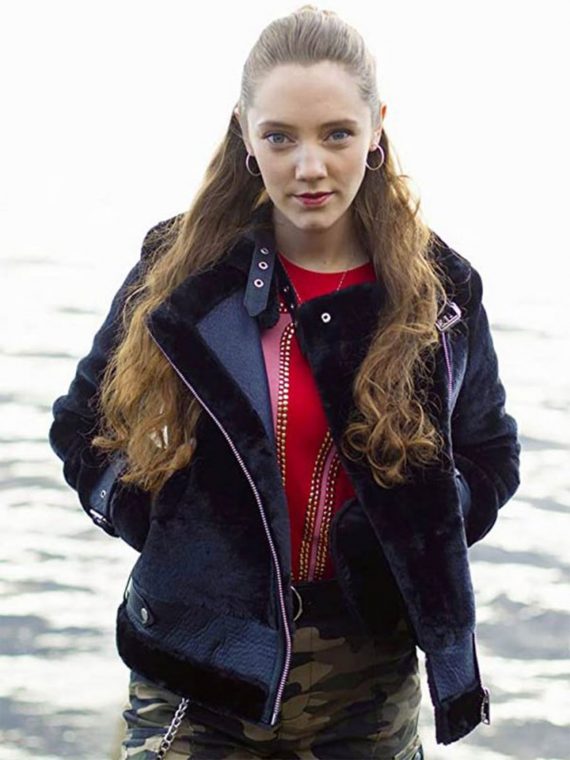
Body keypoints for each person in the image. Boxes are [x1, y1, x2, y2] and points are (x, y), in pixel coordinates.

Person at [48, 5, 521, 759]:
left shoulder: (441, 292)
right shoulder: (179, 269)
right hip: (197, 668)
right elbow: (81, 426)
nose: (309, 167)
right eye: (280, 137)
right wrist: (165, 528)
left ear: (376, 129)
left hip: (367, 683)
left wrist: (412, 529)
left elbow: (491, 454)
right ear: (245, 133)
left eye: (336, 134)